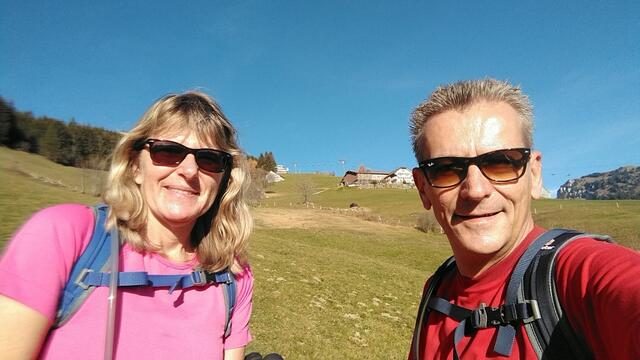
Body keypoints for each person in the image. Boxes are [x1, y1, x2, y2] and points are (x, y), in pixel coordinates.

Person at [0, 91, 254, 359]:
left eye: (209, 159)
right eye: (168, 151)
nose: (190, 171)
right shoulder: (63, 234)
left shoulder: (234, 276)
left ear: (223, 178)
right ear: (135, 166)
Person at [408, 78, 640, 359]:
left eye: (501, 163)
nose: (476, 190)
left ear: (533, 174)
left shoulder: (578, 274)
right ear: (423, 188)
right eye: (446, 169)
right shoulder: (436, 290)